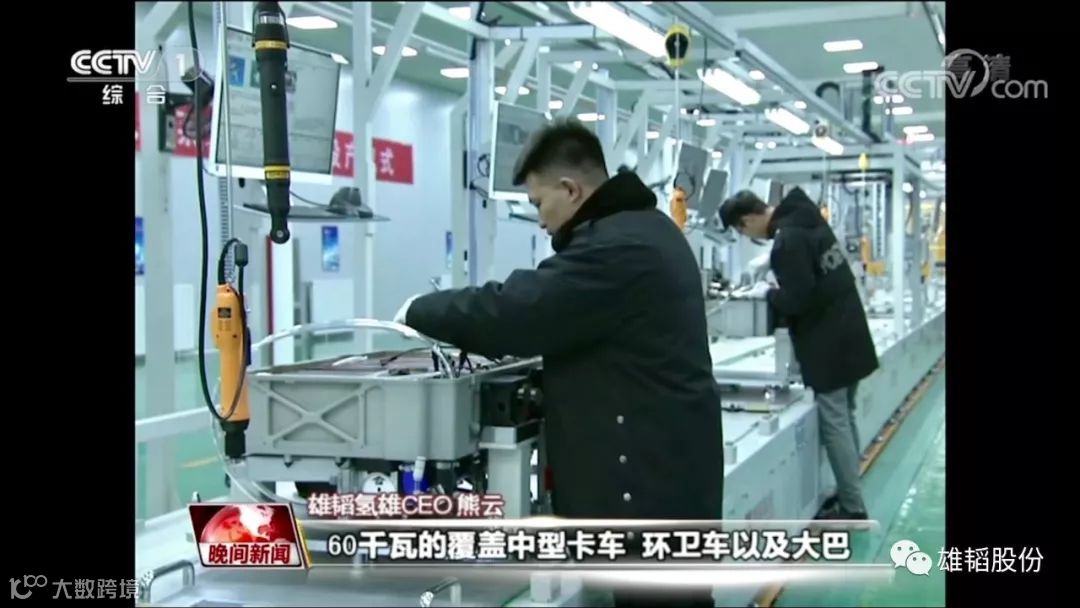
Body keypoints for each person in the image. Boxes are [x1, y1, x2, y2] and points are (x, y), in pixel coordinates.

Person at [395, 119, 723, 607]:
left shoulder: (616, 248)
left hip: (651, 492)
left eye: (537, 204)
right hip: (667, 480)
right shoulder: (644, 227)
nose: (540, 220)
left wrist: (418, 310)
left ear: (570, 190)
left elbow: (519, 309)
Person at [718, 187, 879, 520]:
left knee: (835, 421)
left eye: (743, 232)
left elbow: (797, 301)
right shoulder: (806, 218)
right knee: (846, 416)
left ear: (747, 221)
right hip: (850, 333)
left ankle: (852, 508)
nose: (749, 238)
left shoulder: (788, 240)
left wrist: (768, 293)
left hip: (829, 344)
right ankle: (850, 490)